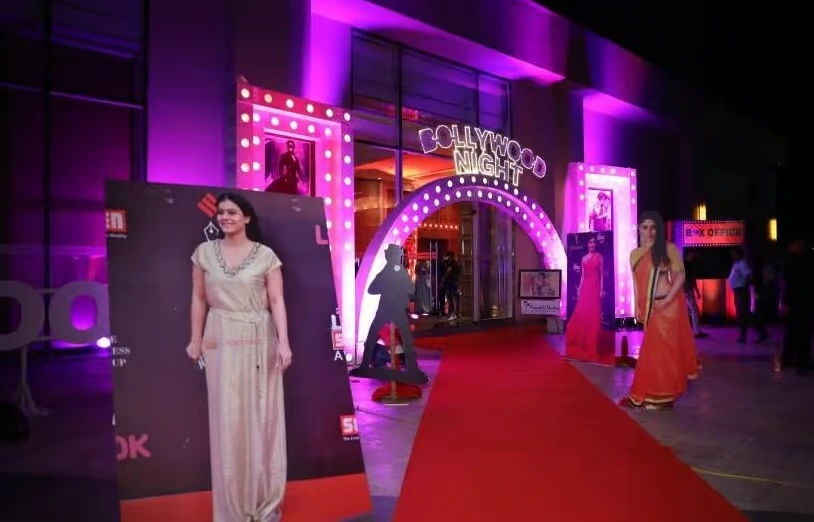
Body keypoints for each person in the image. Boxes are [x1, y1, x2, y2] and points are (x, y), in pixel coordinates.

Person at [185, 192, 292, 522]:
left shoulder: (266, 256)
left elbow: (277, 301)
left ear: (247, 218)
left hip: (260, 339)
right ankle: (232, 505)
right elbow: (199, 300)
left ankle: (264, 500)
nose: (225, 217)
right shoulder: (203, 254)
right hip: (220, 338)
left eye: (232, 212)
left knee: (262, 415)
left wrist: (284, 343)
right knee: (227, 417)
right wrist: (195, 339)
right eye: (220, 213)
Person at [622, 211, 700, 410]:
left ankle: (662, 397)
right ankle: (657, 395)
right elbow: (636, 283)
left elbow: (680, 276)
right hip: (649, 308)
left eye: (653, 227)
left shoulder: (668, 249)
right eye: (645, 227)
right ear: (638, 229)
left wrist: (667, 300)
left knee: (662, 353)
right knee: (654, 354)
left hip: (668, 307)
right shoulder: (635, 255)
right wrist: (636, 306)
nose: (649, 232)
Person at [565, 235, 604, 362]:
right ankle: (581, 340)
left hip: (595, 287)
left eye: (594, 242)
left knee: (593, 315)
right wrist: (579, 289)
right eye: (590, 242)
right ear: (587, 245)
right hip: (586, 288)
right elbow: (582, 276)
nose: (592, 244)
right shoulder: (583, 259)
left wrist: (602, 289)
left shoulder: (599, 257)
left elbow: (602, 275)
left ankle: (591, 342)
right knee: (583, 313)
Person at [779, 238, 813, 374]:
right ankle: (801, 361)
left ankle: (790, 358)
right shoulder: (796, 262)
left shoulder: (792, 261)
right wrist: (787, 302)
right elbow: (793, 284)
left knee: (793, 331)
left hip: (796, 301)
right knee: (802, 331)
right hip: (800, 302)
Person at [729, 248, 767, 343]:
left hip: (742, 291)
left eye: (734, 253)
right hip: (738, 292)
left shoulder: (743, 264)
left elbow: (749, 277)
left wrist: (744, 287)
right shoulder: (736, 264)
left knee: (743, 314)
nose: (732, 256)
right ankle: (748, 334)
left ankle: (757, 332)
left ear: (739, 254)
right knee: (741, 314)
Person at [683, 250, 707, 338]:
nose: (695, 256)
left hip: (687, 289)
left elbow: (692, 279)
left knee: (692, 309)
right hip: (686, 289)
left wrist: (696, 291)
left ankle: (695, 330)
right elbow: (686, 278)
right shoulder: (685, 264)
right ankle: (697, 331)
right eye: (694, 254)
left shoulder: (688, 264)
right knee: (693, 309)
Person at [440, 251, 461, 320]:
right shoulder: (455, 263)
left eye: (447, 256)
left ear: (450, 256)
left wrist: (443, 279)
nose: (447, 258)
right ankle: (455, 313)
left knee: (451, 298)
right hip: (454, 282)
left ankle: (453, 313)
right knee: (454, 298)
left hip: (451, 282)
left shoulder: (452, 263)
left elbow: (448, 272)